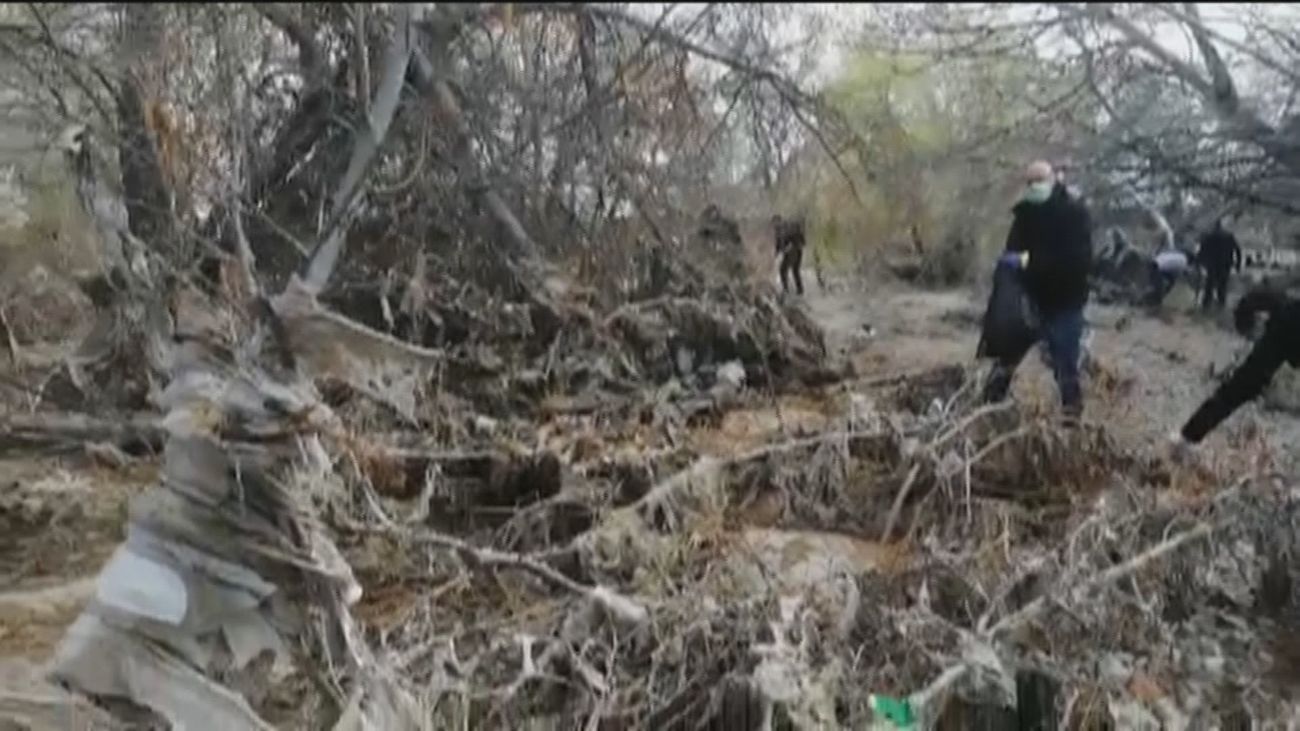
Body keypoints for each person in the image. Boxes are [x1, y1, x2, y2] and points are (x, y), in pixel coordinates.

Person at [981, 160, 1094, 419]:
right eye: (1030, 182)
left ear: (1053, 180)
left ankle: (1071, 421)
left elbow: (1079, 262)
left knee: (1065, 365)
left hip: (1066, 301)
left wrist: (1029, 262)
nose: (1035, 187)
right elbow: (1012, 252)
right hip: (1030, 300)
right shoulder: (1025, 214)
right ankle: (985, 413)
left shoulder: (1074, 214)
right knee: (1006, 359)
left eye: (1040, 180)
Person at [1170, 286, 1300, 455]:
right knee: (1237, 390)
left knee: (1235, 391)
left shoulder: (1285, 307)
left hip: (1280, 333)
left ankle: (1187, 437)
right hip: (1278, 342)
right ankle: (1186, 439)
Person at [1197, 219, 1242, 312]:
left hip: (1212, 264)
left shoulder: (1208, 236)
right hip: (1225, 264)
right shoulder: (1229, 236)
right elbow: (1238, 251)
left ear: (1214, 226)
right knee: (1222, 285)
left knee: (1209, 285)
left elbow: (1202, 251)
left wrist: (1200, 263)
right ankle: (1221, 304)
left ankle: (1206, 305)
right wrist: (1238, 265)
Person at [772, 214, 806, 296]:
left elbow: (798, 239)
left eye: (776, 222)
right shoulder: (778, 231)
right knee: (793, 270)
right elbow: (779, 244)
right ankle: (798, 290)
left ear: (780, 221)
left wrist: (791, 246)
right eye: (774, 223)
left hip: (795, 251)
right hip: (793, 251)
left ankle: (788, 290)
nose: (775, 225)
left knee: (785, 269)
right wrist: (775, 254)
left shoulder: (787, 228)